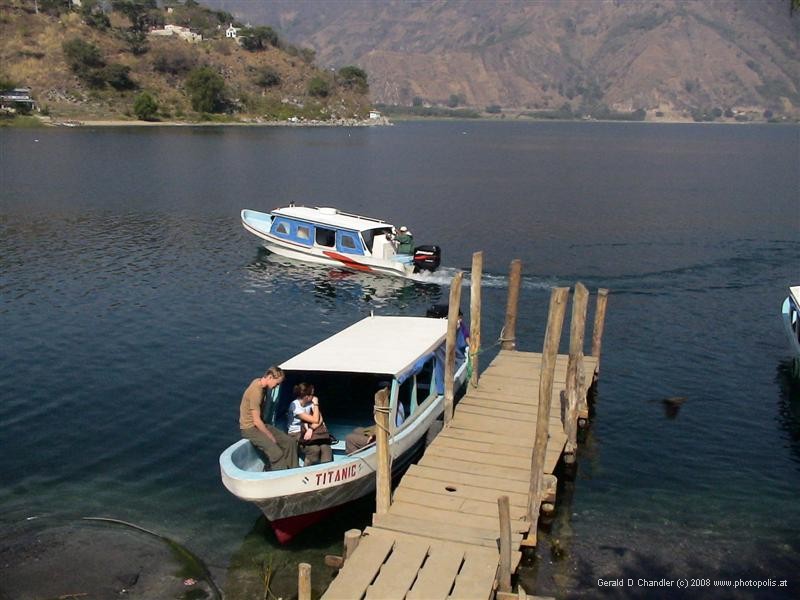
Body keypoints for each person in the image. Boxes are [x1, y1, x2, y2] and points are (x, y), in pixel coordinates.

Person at [239, 366, 298, 471]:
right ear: (270, 377)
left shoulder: (261, 384)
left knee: (290, 442)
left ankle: (294, 470)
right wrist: (270, 436)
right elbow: (256, 421)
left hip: (261, 424)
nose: (277, 386)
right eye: (277, 383)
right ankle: (279, 476)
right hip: (250, 428)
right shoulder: (256, 392)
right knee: (276, 454)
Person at [287, 383, 332, 466]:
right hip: (296, 433)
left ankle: (326, 468)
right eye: (312, 394)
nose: (314, 397)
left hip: (310, 429)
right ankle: (306, 469)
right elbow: (315, 419)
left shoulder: (310, 402)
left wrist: (311, 429)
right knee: (314, 449)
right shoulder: (295, 406)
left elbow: (320, 419)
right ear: (306, 396)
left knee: (325, 446)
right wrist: (316, 404)